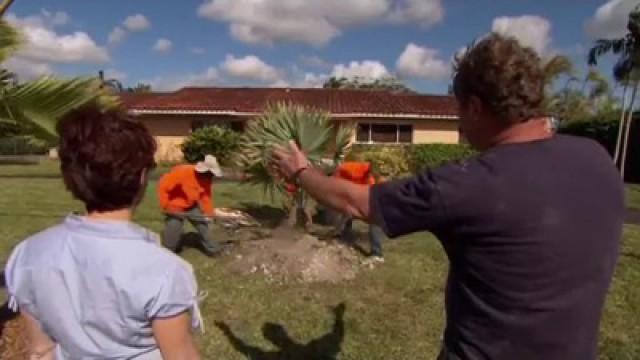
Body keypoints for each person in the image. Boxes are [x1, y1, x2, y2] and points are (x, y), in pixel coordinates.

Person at [271, 33, 625, 360]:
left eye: (458, 110)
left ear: (473, 106)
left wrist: (300, 172)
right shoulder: (597, 158)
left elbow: (356, 203)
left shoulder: (465, 184)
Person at [4, 104, 202, 359]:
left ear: (69, 178)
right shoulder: (165, 270)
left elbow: (41, 350)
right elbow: (179, 355)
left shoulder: (27, 254)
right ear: (142, 177)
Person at [158, 155, 222, 256]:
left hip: (191, 205)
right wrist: (165, 205)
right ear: (203, 170)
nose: (211, 176)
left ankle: (214, 251)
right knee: (173, 233)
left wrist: (209, 214)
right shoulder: (183, 173)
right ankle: (168, 254)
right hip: (174, 206)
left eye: (212, 174)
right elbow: (164, 187)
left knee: (203, 226)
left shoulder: (207, 179)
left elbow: (206, 197)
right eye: (210, 174)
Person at [333, 161, 385, 261]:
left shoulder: (375, 182)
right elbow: (339, 169)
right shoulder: (354, 168)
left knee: (375, 218)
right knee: (347, 212)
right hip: (344, 187)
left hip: (358, 192)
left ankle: (377, 253)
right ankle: (343, 238)